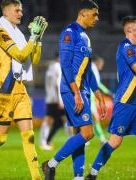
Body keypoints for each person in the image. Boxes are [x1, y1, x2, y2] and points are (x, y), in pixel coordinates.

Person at [0, 0, 48, 180]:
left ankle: (36, 177)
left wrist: (38, 39)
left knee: (29, 136)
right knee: (0, 139)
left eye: (21, 10)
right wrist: (32, 38)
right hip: (4, 91)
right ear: (6, 12)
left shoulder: (19, 34)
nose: (21, 14)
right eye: (17, 10)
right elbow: (20, 55)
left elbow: (35, 60)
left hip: (20, 89)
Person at [42, 1, 107, 180]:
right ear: (83, 13)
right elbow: (65, 65)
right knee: (88, 133)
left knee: (81, 134)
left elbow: (88, 70)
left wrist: (99, 95)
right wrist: (76, 92)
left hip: (83, 90)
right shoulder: (69, 33)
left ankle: (78, 177)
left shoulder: (85, 37)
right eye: (94, 14)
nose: (97, 18)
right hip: (72, 90)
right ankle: (50, 164)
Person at [86, 15, 136, 180]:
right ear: (130, 30)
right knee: (115, 141)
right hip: (126, 102)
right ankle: (92, 174)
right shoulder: (126, 47)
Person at [40, 56, 65, 150]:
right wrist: (60, 99)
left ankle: (46, 141)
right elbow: (57, 84)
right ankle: (44, 142)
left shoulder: (51, 68)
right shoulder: (58, 68)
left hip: (51, 97)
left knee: (59, 120)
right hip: (56, 99)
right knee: (51, 120)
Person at [91, 56, 113, 144]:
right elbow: (96, 83)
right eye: (101, 64)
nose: (102, 66)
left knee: (92, 119)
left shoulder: (94, 68)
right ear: (97, 62)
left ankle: (88, 139)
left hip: (91, 98)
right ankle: (102, 139)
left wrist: (107, 92)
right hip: (87, 97)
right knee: (94, 118)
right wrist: (107, 92)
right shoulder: (92, 67)